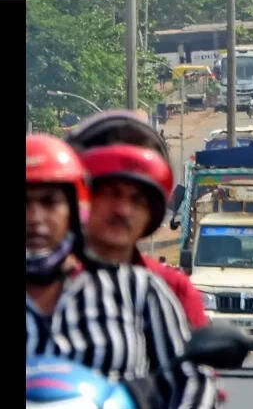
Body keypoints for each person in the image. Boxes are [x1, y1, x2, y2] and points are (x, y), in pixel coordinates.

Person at [25, 135, 236, 409]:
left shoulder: (140, 290)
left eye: (49, 203)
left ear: (74, 209)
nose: (35, 218)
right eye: (25, 203)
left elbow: (189, 378)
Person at [64, 111, 208, 329]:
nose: (123, 210)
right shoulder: (48, 286)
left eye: (137, 198)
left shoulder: (172, 288)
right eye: (111, 193)